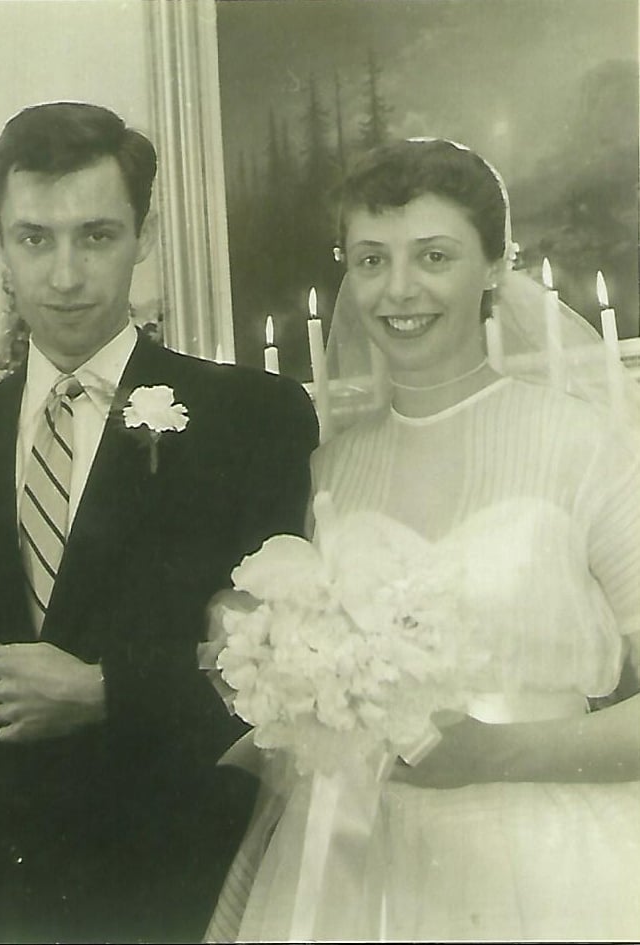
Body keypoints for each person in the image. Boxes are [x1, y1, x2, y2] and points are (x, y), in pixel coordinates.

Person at [0, 101, 318, 944]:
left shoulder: (253, 419)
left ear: (144, 235)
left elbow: (286, 673)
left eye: (97, 235)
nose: (65, 275)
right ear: (2, 244)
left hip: (176, 894)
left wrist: (111, 687)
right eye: (34, 238)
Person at [204, 138, 640, 942]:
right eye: (372, 259)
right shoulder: (331, 467)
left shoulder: (585, 445)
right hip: (355, 865)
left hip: (549, 865)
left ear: (494, 265)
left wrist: (497, 754)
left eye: (434, 256)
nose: (398, 288)